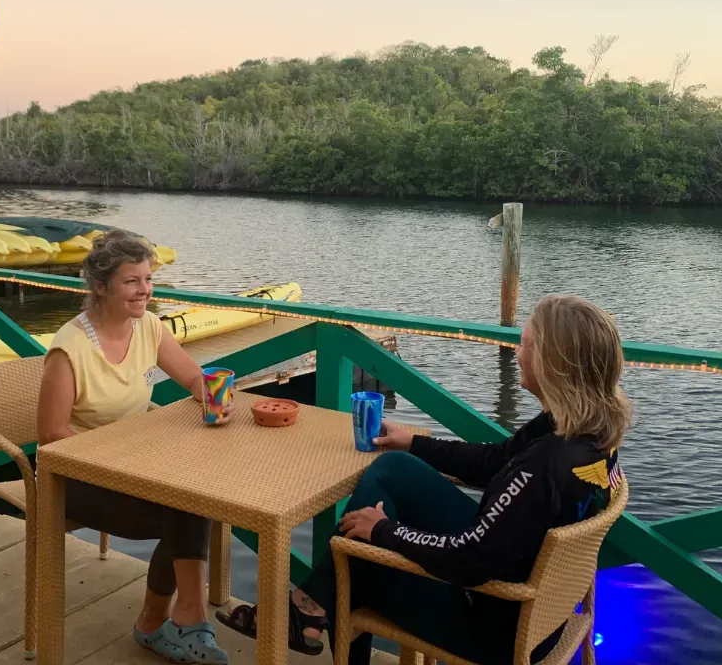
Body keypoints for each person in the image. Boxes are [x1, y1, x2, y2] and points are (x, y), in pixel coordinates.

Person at [217, 293, 632, 664]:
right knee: (394, 469)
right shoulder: (584, 435)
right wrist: (414, 442)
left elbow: (469, 558)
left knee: (356, 556)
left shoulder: (545, 466)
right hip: (545, 610)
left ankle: (306, 609)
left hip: (494, 625)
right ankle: (308, 609)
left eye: (525, 343)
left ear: (554, 363)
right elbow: (496, 461)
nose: (517, 351)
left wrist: (384, 532)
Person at [36, 229, 231, 665]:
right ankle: (176, 621)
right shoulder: (69, 350)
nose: (144, 290)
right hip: (77, 476)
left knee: (194, 496)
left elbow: (195, 379)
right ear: (101, 287)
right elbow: (50, 436)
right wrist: (120, 459)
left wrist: (217, 398)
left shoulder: (148, 327)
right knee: (184, 506)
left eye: (147, 279)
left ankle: (174, 619)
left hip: (138, 463)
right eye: (132, 281)